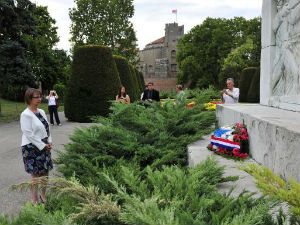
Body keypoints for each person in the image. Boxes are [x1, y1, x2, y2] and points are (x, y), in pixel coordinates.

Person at [20, 88, 53, 204]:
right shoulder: (25, 115)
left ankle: (43, 196)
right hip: (31, 147)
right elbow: (29, 134)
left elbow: (47, 127)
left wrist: (49, 140)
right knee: (36, 175)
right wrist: (42, 145)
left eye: (40, 97)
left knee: (45, 173)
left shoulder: (42, 112)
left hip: (45, 146)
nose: (40, 99)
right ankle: (33, 200)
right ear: (29, 98)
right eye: (37, 97)